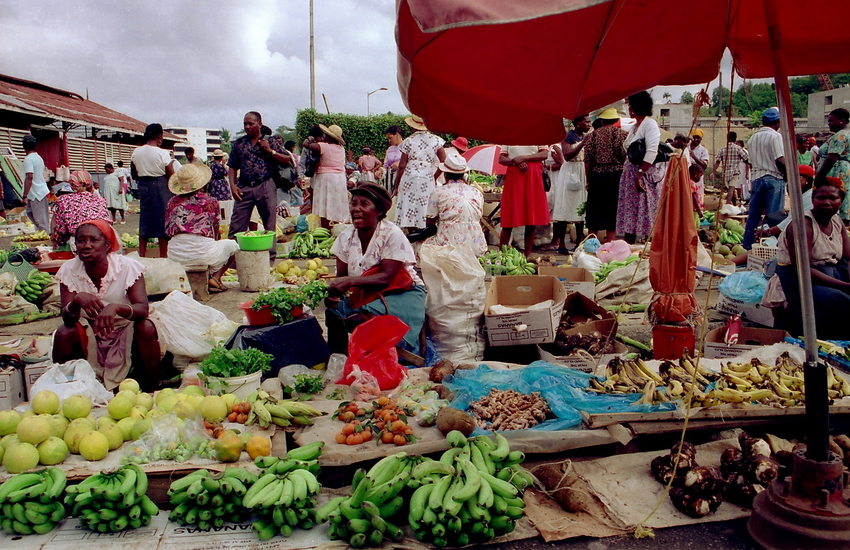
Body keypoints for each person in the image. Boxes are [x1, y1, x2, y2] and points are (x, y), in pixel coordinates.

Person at [52, 220, 161, 392]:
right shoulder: (69, 270)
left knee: (146, 327)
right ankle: (66, 389)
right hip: (91, 331)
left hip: (125, 327)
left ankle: (151, 387)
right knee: (64, 333)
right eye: (81, 240)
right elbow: (66, 317)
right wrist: (77, 300)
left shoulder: (126, 267)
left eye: (93, 240)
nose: (86, 245)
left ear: (107, 245)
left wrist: (116, 308)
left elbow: (142, 309)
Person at [324, 183, 426, 355]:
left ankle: (387, 356)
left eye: (364, 204)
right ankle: (338, 358)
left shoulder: (391, 233)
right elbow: (341, 277)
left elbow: (386, 276)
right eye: (354, 203)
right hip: (366, 293)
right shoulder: (345, 237)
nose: (356, 209)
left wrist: (350, 281)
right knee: (334, 312)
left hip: (402, 291)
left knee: (367, 314)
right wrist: (334, 295)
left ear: (378, 211)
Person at [766, 178, 850, 339]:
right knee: (840, 301)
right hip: (798, 280)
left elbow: (847, 258)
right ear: (812, 200)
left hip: (831, 276)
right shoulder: (803, 224)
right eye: (821, 198)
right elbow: (802, 269)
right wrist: (844, 285)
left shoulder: (836, 221)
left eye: (832, 198)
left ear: (842, 200)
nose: (826, 202)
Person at [165, 164, 239, 294]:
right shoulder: (209, 201)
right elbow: (215, 228)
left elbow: (167, 230)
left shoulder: (172, 202)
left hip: (175, 254)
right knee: (233, 246)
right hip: (202, 253)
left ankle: (210, 277)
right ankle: (216, 278)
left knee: (210, 249)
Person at [228, 111, 289, 260]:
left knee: (269, 226)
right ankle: (231, 262)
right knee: (237, 226)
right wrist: (233, 186)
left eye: (251, 123)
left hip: (266, 185)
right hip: (244, 187)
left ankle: (269, 261)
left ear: (259, 124)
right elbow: (232, 167)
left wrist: (270, 150)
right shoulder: (239, 144)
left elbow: (287, 160)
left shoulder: (271, 141)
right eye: (245, 124)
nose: (247, 127)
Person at [617, 91, 667, 244]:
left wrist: (640, 173)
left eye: (629, 105)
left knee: (645, 211)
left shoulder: (650, 124)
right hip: (630, 174)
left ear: (635, 107)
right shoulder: (635, 127)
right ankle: (628, 246)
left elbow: (652, 150)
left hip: (642, 175)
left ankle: (649, 247)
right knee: (631, 213)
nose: (628, 109)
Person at [424, 151, 487, 256]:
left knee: (419, 245)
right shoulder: (476, 192)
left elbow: (430, 222)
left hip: (448, 246)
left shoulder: (438, 192)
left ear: (445, 174)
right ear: (463, 174)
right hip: (477, 245)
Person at [743, 107, 786, 249]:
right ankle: (770, 247)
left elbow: (750, 160)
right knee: (773, 217)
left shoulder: (753, 138)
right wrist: (789, 175)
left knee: (753, 216)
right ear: (778, 121)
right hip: (773, 178)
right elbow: (780, 159)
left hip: (756, 178)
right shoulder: (775, 136)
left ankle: (748, 246)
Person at [394, 115, 446, 230]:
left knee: (409, 204)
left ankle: (410, 231)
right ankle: (422, 232)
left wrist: (396, 186)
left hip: (409, 176)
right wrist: (435, 176)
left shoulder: (408, 141)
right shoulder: (436, 140)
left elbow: (402, 165)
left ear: (413, 127)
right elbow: (443, 161)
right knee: (424, 204)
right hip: (427, 177)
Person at [131, 123, 175, 258]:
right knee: (162, 223)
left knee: (145, 221)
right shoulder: (163, 153)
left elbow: (134, 174)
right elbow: (171, 176)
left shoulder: (136, 152)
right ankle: (163, 257)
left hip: (144, 188)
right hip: (161, 188)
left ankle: (142, 255)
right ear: (160, 136)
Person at [583, 108, 627, 242]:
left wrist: (589, 180)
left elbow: (588, 161)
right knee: (612, 210)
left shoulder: (592, 136)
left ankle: (590, 243)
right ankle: (611, 243)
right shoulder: (623, 134)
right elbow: (626, 158)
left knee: (594, 211)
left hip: (597, 175)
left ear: (601, 120)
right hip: (616, 176)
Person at [498, 144, 550, 257]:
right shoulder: (509, 136)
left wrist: (523, 158)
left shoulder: (537, 134)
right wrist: (515, 161)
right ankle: (502, 255)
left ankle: (527, 255)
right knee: (509, 219)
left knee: (531, 219)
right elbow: (501, 158)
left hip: (533, 176)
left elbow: (544, 154)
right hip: (514, 177)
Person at [549, 115, 590, 253]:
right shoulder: (568, 137)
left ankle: (579, 242)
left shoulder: (587, 137)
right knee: (565, 206)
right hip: (569, 171)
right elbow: (567, 155)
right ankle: (561, 245)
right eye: (586, 121)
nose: (588, 124)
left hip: (581, 171)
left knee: (580, 206)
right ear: (578, 123)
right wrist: (582, 144)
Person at [305, 124, 350, 228]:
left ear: (328, 136)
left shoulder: (323, 146)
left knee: (324, 206)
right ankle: (337, 226)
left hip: (325, 178)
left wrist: (310, 138)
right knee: (336, 203)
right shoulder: (341, 149)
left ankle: (326, 228)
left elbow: (306, 144)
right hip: (339, 178)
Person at [51, 171, 111, 249]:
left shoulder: (64, 200)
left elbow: (60, 229)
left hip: (80, 240)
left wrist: (56, 241)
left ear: (72, 184)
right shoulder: (100, 199)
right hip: (102, 239)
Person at [815, 108, 850, 224]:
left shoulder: (841, 136)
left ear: (842, 121)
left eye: (831, 121)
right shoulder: (845, 134)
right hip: (843, 170)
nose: (829, 124)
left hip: (836, 172)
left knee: (833, 198)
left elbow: (832, 158)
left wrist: (820, 177)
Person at [21, 135, 50, 232]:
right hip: (36, 193)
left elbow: (29, 177)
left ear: (24, 146)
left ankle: (46, 242)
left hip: (37, 193)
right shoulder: (38, 157)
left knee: (41, 221)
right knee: (32, 215)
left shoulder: (28, 159)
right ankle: (41, 238)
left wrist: (24, 196)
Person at [713, 131, 750, 205]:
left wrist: (713, 171)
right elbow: (747, 158)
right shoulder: (738, 148)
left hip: (725, 173)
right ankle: (727, 206)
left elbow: (717, 161)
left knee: (731, 190)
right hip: (734, 172)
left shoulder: (723, 149)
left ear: (727, 138)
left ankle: (733, 205)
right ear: (735, 139)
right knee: (731, 190)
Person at [384, 125, 405, 192]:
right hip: (389, 178)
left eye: (390, 138)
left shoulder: (406, 146)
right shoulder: (390, 149)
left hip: (402, 177)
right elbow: (385, 164)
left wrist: (399, 163)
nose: (389, 141)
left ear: (397, 134)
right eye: (388, 139)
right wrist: (381, 170)